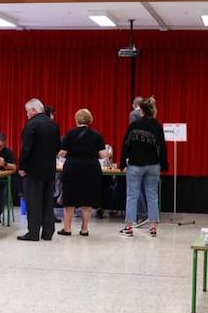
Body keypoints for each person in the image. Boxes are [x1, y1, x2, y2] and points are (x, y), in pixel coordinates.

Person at [57, 109, 111, 237]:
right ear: (90, 120)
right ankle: (85, 229)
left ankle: (67, 228)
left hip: (72, 167)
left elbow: (62, 153)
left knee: (69, 198)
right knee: (87, 199)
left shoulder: (70, 134)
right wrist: (109, 153)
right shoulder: (97, 135)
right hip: (91, 169)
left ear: (77, 119)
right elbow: (103, 155)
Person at [120, 96, 167, 237]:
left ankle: (129, 227)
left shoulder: (133, 126)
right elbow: (162, 148)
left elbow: (125, 145)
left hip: (135, 165)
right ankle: (152, 227)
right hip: (153, 166)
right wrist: (164, 164)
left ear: (141, 111)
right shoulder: (157, 126)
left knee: (132, 196)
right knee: (152, 196)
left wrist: (123, 163)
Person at [18, 98, 60, 242]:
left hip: (33, 170)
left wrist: (22, 167)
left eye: (27, 112)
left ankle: (33, 232)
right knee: (48, 201)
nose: (27, 115)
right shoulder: (53, 125)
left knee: (33, 201)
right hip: (49, 169)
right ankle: (48, 232)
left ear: (34, 110)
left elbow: (25, 149)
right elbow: (57, 148)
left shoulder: (31, 125)